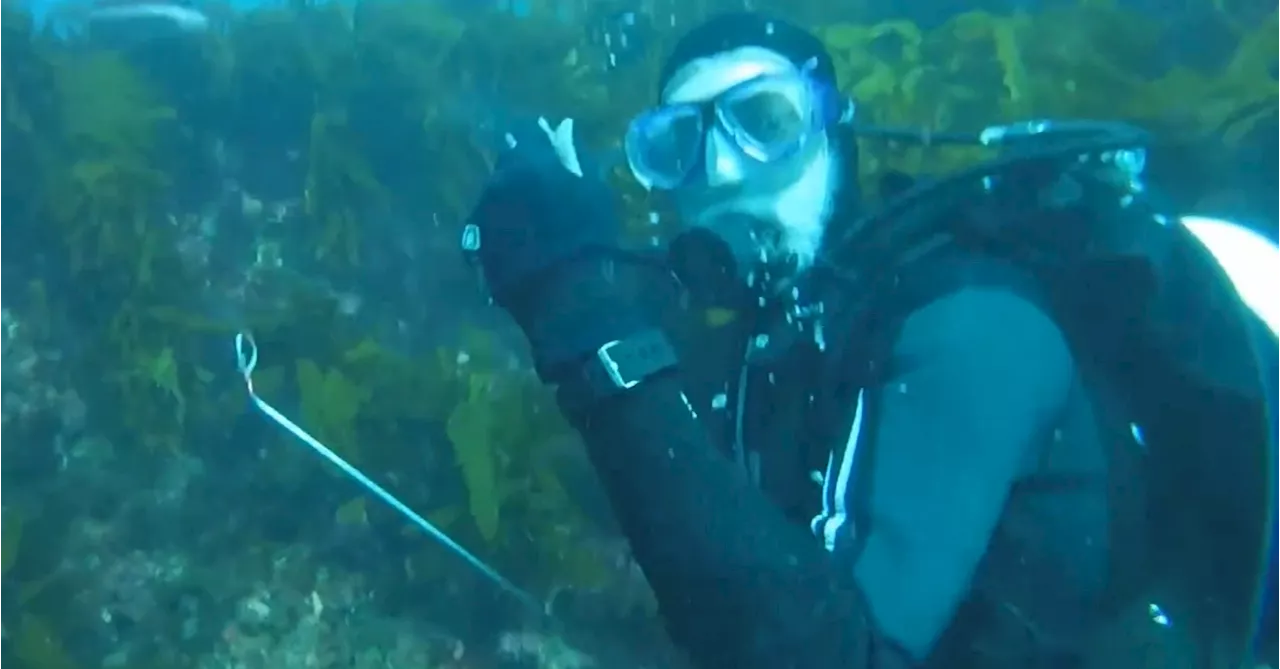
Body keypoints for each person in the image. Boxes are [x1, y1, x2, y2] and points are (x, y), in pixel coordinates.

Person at [465, 13, 1277, 669]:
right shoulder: (780, 349)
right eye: (677, 145)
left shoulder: (971, 326)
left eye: (763, 121)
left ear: (833, 134)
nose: (721, 169)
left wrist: (583, 313)